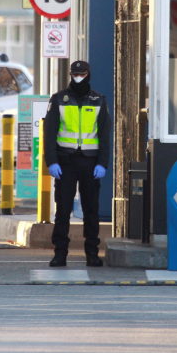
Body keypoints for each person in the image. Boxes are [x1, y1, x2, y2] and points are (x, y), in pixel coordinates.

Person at [43, 60, 111, 268]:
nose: (78, 77)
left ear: (88, 74)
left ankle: (92, 253)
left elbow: (104, 135)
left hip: (90, 163)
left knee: (91, 211)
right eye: (75, 74)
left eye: (81, 73)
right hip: (66, 162)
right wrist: (52, 161)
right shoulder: (59, 99)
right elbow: (49, 133)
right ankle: (60, 253)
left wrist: (103, 163)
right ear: (70, 75)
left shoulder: (99, 100)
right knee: (63, 210)